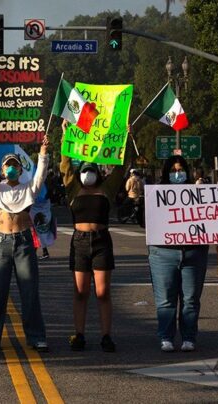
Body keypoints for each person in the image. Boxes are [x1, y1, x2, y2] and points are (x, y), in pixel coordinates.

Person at [0, 131, 50, 353]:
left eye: (15, 165)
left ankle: (36, 337)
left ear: (20, 169)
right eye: (8, 165)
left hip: (24, 243)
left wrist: (44, 150)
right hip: (1, 243)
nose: (11, 168)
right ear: (2, 170)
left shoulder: (29, 189)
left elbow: (41, 174)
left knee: (29, 291)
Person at [60, 123, 127, 352]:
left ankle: (106, 335)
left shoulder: (107, 189)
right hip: (79, 242)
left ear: (98, 171)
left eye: (92, 168)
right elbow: (65, 165)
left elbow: (120, 168)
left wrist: (126, 136)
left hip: (101, 241)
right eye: (85, 169)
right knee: (80, 292)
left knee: (102, 292)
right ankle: (79, 334)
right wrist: (66, 134)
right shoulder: (73, 188)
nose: (88, 172)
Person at [148, 155, 210, 352]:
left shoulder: (199, 193)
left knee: (190, 300)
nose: (177, 174)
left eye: (180, 170)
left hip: (193, 253)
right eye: (173, 170)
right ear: (166, 172)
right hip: (163, 254)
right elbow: (145, 222)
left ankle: (189, 338)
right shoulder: (155, 194)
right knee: (166, 300)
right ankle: (166, 337)